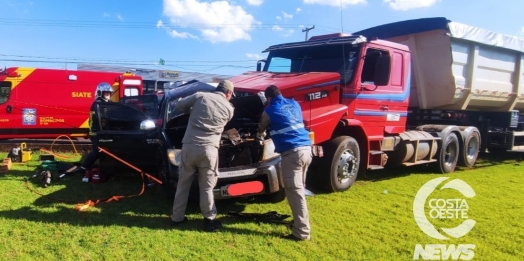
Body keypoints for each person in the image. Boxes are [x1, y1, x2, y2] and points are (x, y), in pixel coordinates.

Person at [170, 80, 235, 232]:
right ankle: (209, 220)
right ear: (228, 93)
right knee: (207, 187)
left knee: (183, 183)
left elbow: (179, 106)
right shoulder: (229, 109)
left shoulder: (200, 96)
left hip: (189, 146)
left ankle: (177, 217)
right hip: (209, 150)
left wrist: (191, 110)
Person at [257, 85, 312, 241]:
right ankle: (299, 221)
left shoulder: (269, 110)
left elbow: (262, 127)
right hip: (307, 149)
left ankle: (301, 232)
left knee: (294, 191)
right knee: (300, 189)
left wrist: (258, 135)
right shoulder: (295, 104)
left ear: (268, 98)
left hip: (292, 153)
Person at [76, 82, 114, 176]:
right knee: (97, 151)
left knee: (104, 150)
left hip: (104, 132)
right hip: (96, 132)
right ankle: (83, 168)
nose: (108, 95)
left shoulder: (107, 103)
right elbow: (101, 118)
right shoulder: (97, 104)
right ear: (100, 93)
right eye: (105, 93)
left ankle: (104, 167)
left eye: (109, 93)